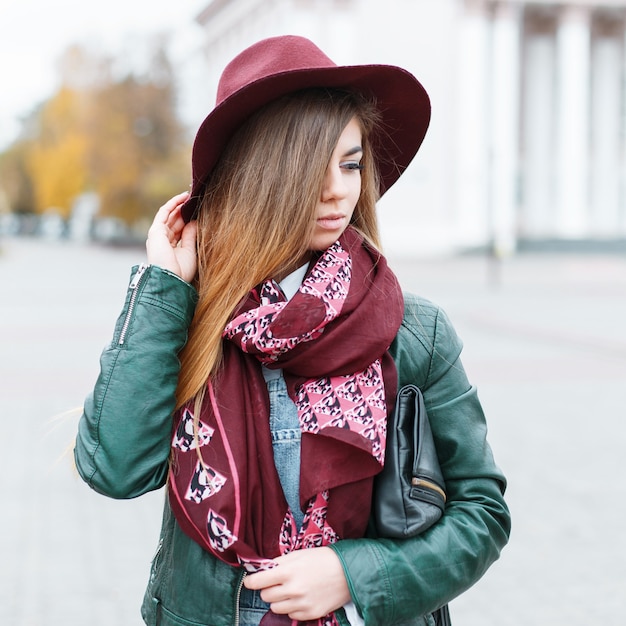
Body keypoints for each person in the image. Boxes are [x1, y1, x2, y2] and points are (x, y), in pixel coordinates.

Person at [74, 35, 510, 626]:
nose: (339, 190)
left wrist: (352, 576)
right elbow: (116, 469)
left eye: (351, 163)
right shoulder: (191, 321)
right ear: (258, 174)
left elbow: (480, 512)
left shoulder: (414, 330)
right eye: (312, 167)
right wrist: (162, 289)